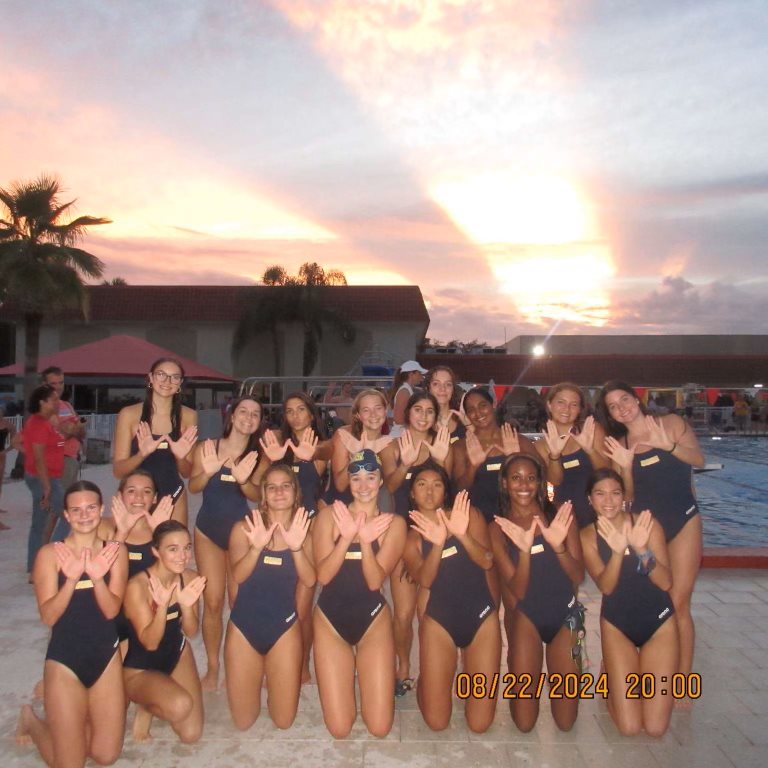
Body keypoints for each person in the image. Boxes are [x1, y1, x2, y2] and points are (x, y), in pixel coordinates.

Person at [597, 380, 704, 693]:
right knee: (636, 598)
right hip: (646, 529)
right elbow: (625, 500)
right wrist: (627, 467)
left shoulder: (671, 424)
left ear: (637, 398)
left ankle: (682, 681)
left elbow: (699, 460)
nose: (622, 408)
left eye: (624, 399)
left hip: (683, 520)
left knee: (679, 602)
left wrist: (667, 445)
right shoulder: (619, 445)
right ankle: (618, 668)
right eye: (613, 407)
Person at [16, 480, 128, 768]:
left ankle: (73, 728)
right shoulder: (50, 555)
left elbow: (112, 610)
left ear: (101, 509)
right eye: (75, 510)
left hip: (105, 658)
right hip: (65, 660)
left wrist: (97, 577)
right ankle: (32, 721)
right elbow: (48, 616)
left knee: (105, 755)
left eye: (91, 508)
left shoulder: (115, 551)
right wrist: (73, 580)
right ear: (65, 515)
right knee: (70, 764)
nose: (84, 515)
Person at [312, 449, 406, 738]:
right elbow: (324, 576)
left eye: (370, 477)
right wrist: (347, 537)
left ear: (380, 481)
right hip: (330, 620)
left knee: (379, 728)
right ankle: (347, 677)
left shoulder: (394, 524)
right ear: (349, 482)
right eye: (356, 478)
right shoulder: (329, 517)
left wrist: (365, 541)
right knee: (340, 729)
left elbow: (375, 581)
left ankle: (365, 675)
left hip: (373, 621)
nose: (363, 486)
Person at [491, 453, 585, 732]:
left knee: (566, 723)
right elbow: (518, 590)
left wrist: (557, 546)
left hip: (565, 615)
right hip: (526, 617)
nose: (524, 485)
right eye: (516, 478)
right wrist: (524, 550)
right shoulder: (497, 528)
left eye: (531, 478)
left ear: (540, 483)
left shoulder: (561, 517)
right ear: (505, 483)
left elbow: (578, 575)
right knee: (524, 723)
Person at [580, 469, 678, 736]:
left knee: (656, 728)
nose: (608, 500)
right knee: (630, 727)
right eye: (600, 494)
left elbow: (666, 582)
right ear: (590, 499)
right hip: (617, 625)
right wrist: (616, 551)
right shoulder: (587, 536)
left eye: (615, 493)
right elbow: (606, 586)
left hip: (659, 623)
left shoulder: (647, 525)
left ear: (624, 497)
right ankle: (613, 683)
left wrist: (641, 550)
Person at [403, 464, 500, 732]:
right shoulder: (411, 538)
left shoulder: (469, 516)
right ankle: (428, 679)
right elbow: (425, 580)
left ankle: (465, 676)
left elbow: (487, 561)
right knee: (437, 722)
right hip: (439, 620)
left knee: (480, 724)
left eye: (437, 484)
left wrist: (461, 534)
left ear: (446, 490)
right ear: (412, 493)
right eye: (422, 484)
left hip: (481, 618)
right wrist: (437, 543)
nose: (429, 491)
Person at [224, 464, 315, 730]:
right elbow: (238, 577)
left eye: (285, 485)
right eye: (271, 487)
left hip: (284, 629)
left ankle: (271, 671)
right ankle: (256, 670)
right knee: (244, 721)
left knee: (284, 721)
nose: (278, 492)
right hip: (244, 627)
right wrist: (256, 548)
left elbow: (310, 580)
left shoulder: (304, 532)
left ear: (295, 492)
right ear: (263, 494)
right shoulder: (244, 528)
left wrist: (297, 548)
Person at [188, 395, 262, 691]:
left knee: (239, 602)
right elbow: (193, 487)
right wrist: (207, 471)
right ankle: (213, 667)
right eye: (243, 411)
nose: (248, 417)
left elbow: (258, 495)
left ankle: (242, 662)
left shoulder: (258, 454)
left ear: (258, 422)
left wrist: (243, 480)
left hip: (240, 534)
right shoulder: (207, 448)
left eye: (255, 414)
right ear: (231, 416)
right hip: (207, 531)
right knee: (213, 601)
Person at [380, 392, 452, 694]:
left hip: (436, 535)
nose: (423, 416)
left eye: (430, 412)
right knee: (404, 612)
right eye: (418, 410)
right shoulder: (392, 446)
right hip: (403, 534)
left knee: (432, 611)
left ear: (437, 417)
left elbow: (448, 487)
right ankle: (403, 667)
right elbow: (391, 486)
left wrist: (438, 458)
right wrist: (405, 464)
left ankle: (433, 667)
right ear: (407, 414)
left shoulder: (444, 446)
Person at [259, 392, 330, 682]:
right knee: (276, 600)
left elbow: (325, 455)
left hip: (307, 530)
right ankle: (274, 655)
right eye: (289, 411)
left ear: (312, 414)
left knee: (301, 607)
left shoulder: (323, 446)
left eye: (302, 410)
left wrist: (309, 454)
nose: (296, 415)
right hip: (276, 531)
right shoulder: (277, 447)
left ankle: (301, 665)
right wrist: (272, 459)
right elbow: (261, 487)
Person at [123, 520, 206, 743]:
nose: (182, 556)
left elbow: (191, 631)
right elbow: (149, 643)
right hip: (140, 666)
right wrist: (161, 607)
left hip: (175, 653)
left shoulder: (189, 578)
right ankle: (146, 704)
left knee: (191, 735)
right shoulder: (138, 586)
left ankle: (155, 699)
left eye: (187, 547)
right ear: (155, 551)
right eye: (173, 549)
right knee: (180, 706)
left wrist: (186, 606)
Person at [113, 357, 198, 527]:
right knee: (137, 551)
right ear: (150, 378)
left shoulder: (189, 416)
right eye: (161, 374)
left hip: (173, 495)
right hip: (137, 497)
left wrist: (180, 457)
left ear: (180, 383)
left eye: (175, 377)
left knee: (173, 551)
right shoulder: (129, 415)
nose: (167, 381)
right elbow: (118, 471)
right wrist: (141, 454)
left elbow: (187, 472)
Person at [534, 382, 610, 530]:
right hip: (564, 512)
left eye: (573, 404)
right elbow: (554, 481)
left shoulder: (592, 430)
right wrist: (554, 455)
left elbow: (607, 471)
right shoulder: (540, 445)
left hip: (598, 507)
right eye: (561, 402)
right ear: (549, 405)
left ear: (580, 409)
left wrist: (589, 450)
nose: (566, 409)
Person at [22, 384, 66, 573]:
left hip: (48, 478)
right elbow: (39, 457)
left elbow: (27, 446)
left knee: (39, 523)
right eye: (54, 399)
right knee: (68, 515)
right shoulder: (39, 423)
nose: (57, 402)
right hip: (44, 480)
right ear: (43, 402)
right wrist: (46, 487)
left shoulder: (44, 422)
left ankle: (35, 566)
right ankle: (49, 558)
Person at [328, 389, 393, 504]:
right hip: (339, 504)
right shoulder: (344, 435)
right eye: (366, 410)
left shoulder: (389, 442)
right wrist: (357, 456)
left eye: (378, 408)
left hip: (371, 508)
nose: (373, 415)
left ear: (385, 410)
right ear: (358, 415)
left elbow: (390, 487)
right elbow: (340, 486)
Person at [42, 366, 86, 494]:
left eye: (61, 382)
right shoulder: (44, 407)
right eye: (53, 383)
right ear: (45, 385)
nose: (58, 387)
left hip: (72, 459)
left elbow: (81, 432)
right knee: (56, 504)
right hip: (57, 460)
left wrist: (73, 429)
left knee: (68, 503)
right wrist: (73, 429)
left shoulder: (66, 405)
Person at [425, 365, 466, 442]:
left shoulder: (463, 417)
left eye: (448, 384)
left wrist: (468, 424)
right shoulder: (421, 420)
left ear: (453, 389)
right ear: (428, 388)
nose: (442, 389)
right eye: (436, 384)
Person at [388, 360, 427, 437]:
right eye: (419, 374)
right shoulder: (404, 391)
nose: (421, 377)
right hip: (400, 436)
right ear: (411, 374)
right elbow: (398, 419)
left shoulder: (406, 389)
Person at [0, 405, 18, 520]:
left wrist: (6, 451)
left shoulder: (8, 424)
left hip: (1, 454)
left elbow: (15, 441)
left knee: (0, 480)